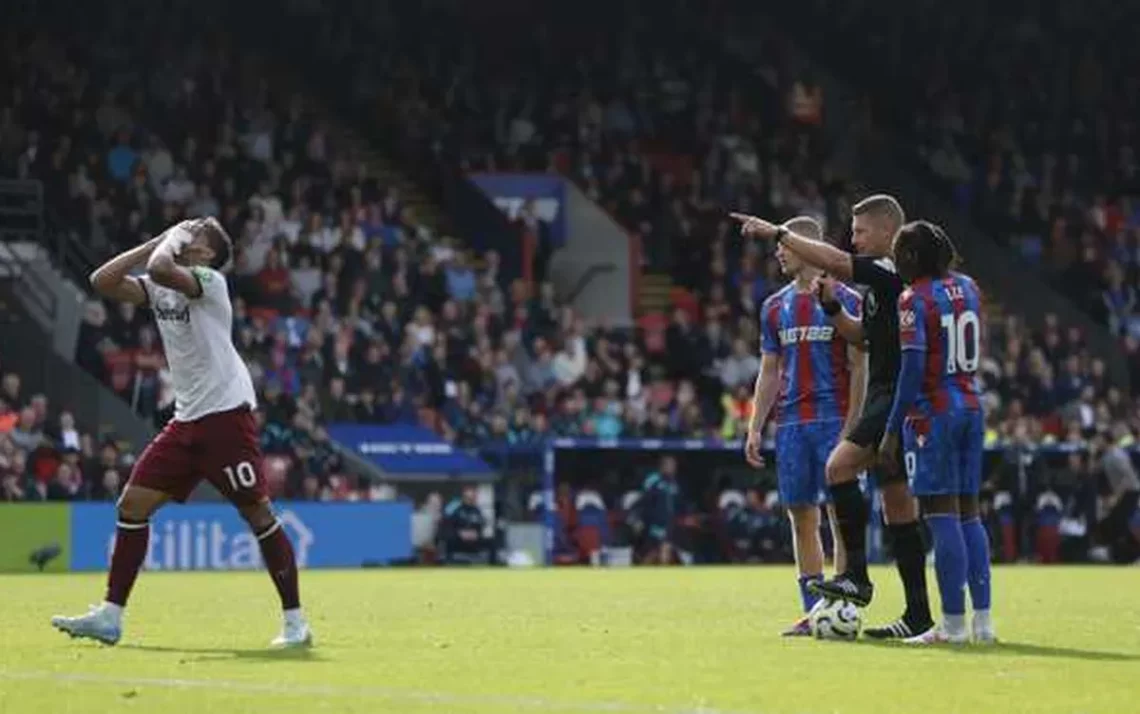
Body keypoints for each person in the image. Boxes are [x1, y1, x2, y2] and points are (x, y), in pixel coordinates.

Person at [51, 218, 312, 648]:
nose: (191, 231)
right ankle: (111, 616)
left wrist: (172, 238)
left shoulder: (210, 281)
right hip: (186, 419)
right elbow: (102, 280)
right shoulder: (163, 283)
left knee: (258, 514)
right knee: (132, 506)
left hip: (227, 414)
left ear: (207, 253)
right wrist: (157, 239)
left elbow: (158, 269)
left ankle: (296, 623)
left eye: (199, 232)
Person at [731, 195, 934, 639]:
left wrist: (777, 230)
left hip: (868, 408)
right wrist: (831, 310)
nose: (854, 237)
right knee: (885, 508)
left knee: (855, 481)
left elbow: (857, 350)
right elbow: (857, 337)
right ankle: (907, 612)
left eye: (860, 230)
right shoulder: (786, 305)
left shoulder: (878, 275)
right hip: (801, 421)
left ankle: (855, 585)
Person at [745, 216, 866, 636]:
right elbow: (770, 369)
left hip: (834, 419)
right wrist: (755, 425)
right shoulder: (774, 306)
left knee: (839, 514)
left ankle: (844, 606)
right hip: (792, 424)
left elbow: (857, 364)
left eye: (785, 245)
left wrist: (855, 427)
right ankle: (814, 610)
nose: (778, 251)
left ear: (806, 246)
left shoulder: (844, 297)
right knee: (801, 516)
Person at [877, 220, 994, 644]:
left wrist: (891, 432)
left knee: (941, 516)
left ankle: (952, 625)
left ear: (911, 256)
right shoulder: (970, 288)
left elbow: (910, 372)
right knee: (970, 515)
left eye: (897, 256)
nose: (895, 264)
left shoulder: (913, 299)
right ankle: (983, 623)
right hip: (971, 404)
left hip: (934, 414)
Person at [438, 486, 489, 565]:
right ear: (463, 497)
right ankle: (449, 561)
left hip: (473, 538)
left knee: (491, 542)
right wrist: (460, 533)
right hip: (458, 537)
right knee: (449, 538)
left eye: (472, 497)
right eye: (467, 497)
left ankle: (492, 564)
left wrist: (475, 533)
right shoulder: (455, 508)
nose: (470, 499)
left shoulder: (477, 510)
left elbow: (482, 523)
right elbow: (447, 523)